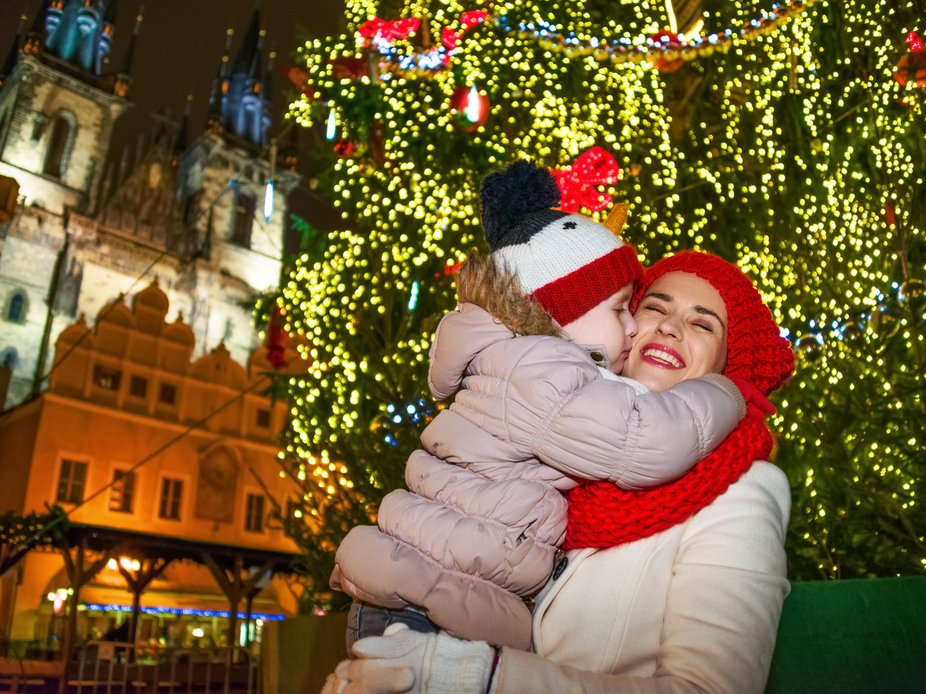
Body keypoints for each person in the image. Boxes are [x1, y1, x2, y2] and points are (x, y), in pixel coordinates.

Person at [323, 250, 797, 693]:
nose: (671, 327)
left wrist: (482, 677)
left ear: (727, 366)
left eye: (702, 324)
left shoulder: (745, 489)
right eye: (656, 307)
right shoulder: (556, 454)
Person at [331, 161, 749, 655]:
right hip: (424, 602)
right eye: (622, 309)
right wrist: (728, 391)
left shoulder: (517, 359)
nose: (635, 327)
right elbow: (646, 441)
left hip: (429, 585)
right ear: (559, 315)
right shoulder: (543, 372)